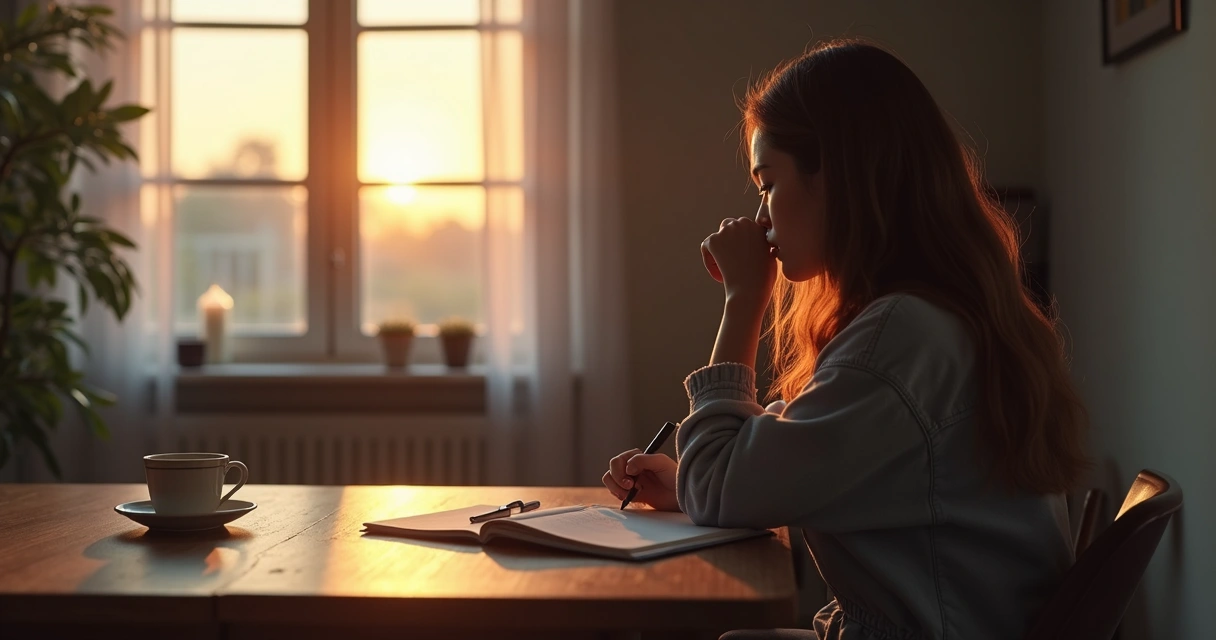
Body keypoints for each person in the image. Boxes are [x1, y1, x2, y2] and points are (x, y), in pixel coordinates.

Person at [603, 38, 1088, 640]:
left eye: (768, 184)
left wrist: (742, 302)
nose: (761, 219)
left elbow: (722, 488)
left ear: (839, 177)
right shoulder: (933, 320)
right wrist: (688, 482)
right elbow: (812, 446)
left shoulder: (904, 337)